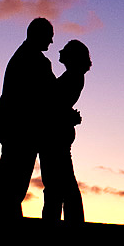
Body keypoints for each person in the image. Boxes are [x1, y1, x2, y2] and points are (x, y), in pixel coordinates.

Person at [0, 17, 57, 219]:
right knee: (13, 187)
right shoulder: (37, 62)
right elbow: (52, 94)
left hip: (12, 130)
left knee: (8, 186)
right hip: (23, 133)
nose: (51, 42)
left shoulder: (19, 57)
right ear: (39, 35)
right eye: (49, 37)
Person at [40, 39, 92, 224]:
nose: (60, 52)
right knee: (62, 184)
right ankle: (69, 220)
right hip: (59, 133)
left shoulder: (73, 76)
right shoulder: (73, 75)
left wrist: (68, 114)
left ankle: (63, 221)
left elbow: (56, 102)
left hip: (56, 135)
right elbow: (61, 102)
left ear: (72, 56)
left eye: (65, 50)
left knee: (59, 185)